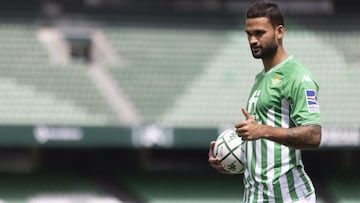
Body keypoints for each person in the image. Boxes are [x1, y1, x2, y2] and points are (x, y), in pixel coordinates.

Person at [208, 1, 322, 203]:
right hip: (255, 197)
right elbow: (261, 142)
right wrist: (230, 160)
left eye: (259, 33)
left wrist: (263, 130)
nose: (252, 40)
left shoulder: (298, 76)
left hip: (288, 198)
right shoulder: (261, 78)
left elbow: (313, 136)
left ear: (279, 32)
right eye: (249, 34)